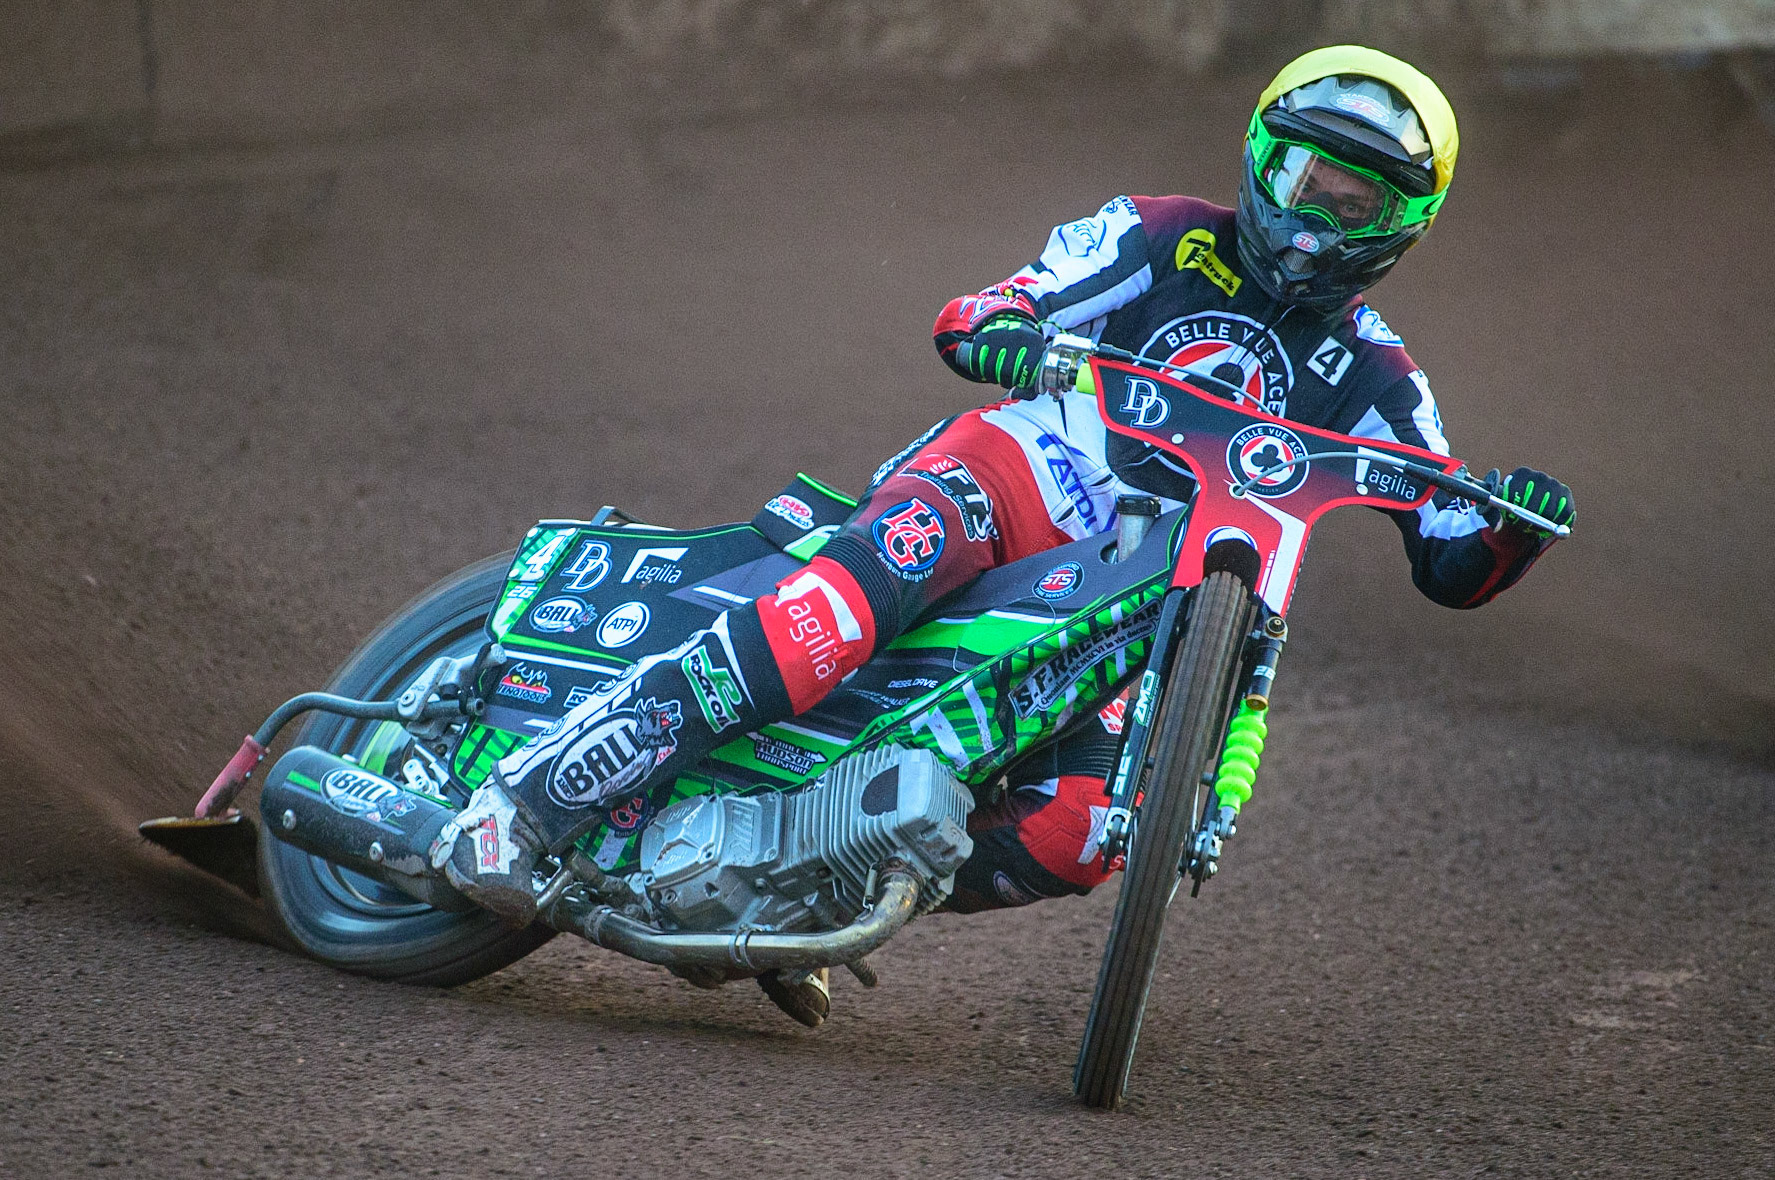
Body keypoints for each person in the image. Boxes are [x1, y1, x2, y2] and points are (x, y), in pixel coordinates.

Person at [432, 45, 1574, 1020]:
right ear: (1261, 157)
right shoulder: (1156, 235)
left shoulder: (1379, 378)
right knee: (842, 613)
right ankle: (539, 797)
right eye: (1304, 175)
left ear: (1402, 224)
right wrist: (1019, 339)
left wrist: (1513, 529)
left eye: (1353, 200)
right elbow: (976, 312)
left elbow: (1449, 554)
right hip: (1017, 481)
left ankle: (808, 887)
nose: (1315, 213)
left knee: (1090, 832)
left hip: (1145, 603)